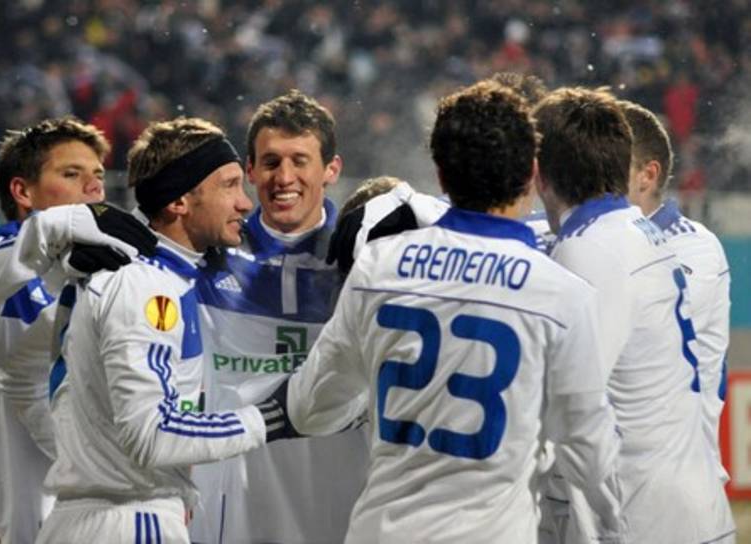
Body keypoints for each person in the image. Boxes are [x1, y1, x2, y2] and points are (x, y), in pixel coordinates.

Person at [267, 80, 624, 543]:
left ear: (440, 174)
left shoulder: (378, 266)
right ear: (533, 172)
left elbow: (311, 408)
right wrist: (613, 532)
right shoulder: (561, 295)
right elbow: (590, 453)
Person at [36, 117, 274, 543]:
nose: (244, 203)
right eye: (229, 186)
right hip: (129, 517)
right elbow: (152, 435)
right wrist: (268, 419)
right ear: (179, 201)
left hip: (99, 515)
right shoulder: (146, 284)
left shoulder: (140, 272)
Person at [533, 87, 735, 543]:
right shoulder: (644, 233)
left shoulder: (594, 248)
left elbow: (575, 404)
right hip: (681, 491)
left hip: (641, 509)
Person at [0, 117, 155, 544]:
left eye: (98, 176)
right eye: (71, 174)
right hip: (1, 524)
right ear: (23, 192)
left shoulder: (100, 279)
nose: (93, 189)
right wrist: (56, 233)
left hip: (87, 520)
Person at [192, 90, 370, 544]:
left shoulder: (366, 262)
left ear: (331, 169)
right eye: (271, 162)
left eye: (300, 161)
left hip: (340, 503)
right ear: (250, 170)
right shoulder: (209, 255)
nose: (284, 177)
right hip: (236, 513)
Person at [621, 99, 732, 489]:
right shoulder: (607, 241)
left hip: (673, 484)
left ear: (647, 176)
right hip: (632, 480)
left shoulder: (691, 246)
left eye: (607, 168)